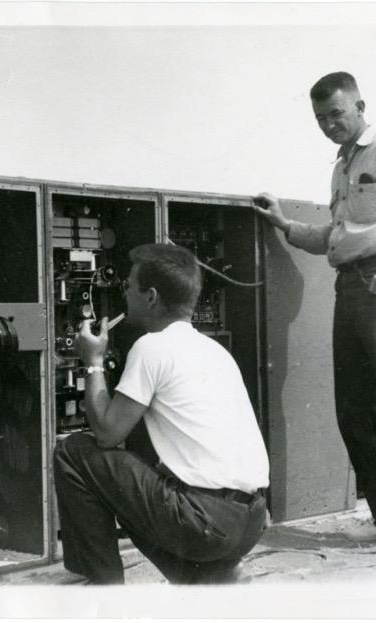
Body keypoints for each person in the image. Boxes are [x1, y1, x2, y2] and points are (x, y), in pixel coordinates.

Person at [254, 71, 376, 555]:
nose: (328, 125)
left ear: (360, 106)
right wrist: (285, 224)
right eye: (320, 118)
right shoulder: (341, 167)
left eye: (336, 114)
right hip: (351, 288)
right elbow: (336, 238)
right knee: (357, 412)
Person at [53, 243, 269, 584]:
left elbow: (108, 434)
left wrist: (93, 363)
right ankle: (210, 577)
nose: (123, 290)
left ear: (150, 296)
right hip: (250, 521)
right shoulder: (214, 350)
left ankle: (104, 588)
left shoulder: (151, 346)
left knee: (74, 451)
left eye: (128, 285)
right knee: (142, 478)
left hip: (205, 522)